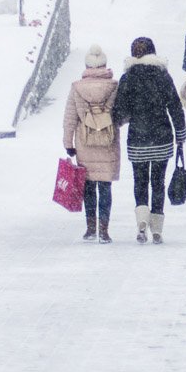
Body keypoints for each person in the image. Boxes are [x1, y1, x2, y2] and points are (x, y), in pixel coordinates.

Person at [112, 37, 186, 244]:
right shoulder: (162, 75)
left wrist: (126, 117)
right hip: (162, 137)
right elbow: (175, 106)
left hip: (137, 138)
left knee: (140, 181)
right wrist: (180, 133)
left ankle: (142, 222)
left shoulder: (128, 77)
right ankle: (157, 229)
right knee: (158, 182)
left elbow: (119, 111)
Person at [63, 44, 120, 243]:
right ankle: (104, 230)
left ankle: (90, 229)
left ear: (87, 66)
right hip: (107, 141)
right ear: (104, 65)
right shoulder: (114, 86)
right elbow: (120, 114)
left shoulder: (77, 87)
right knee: (105, 187)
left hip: (84, 142)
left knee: (88, 187)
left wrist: (68, 142)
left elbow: (70, 117)